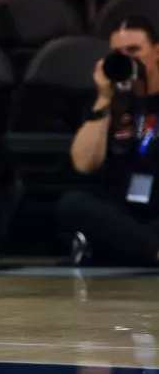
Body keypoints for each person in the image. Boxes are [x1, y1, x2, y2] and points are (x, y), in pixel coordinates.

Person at [58, 17, 159, 265]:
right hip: (121, 208)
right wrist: (104, 101)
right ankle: (152, 250)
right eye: (118, 53)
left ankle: (133, 248)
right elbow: (84, 164)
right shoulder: (104, 102)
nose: (127, 58)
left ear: (156, 52)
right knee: (72, 204)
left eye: (134, 50)